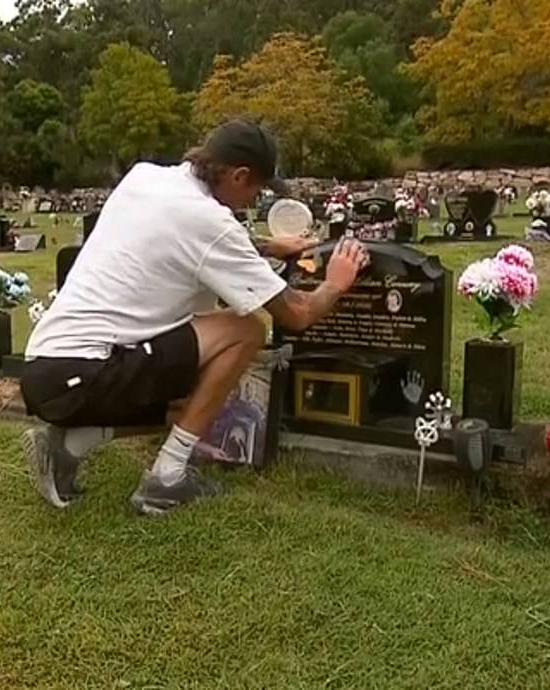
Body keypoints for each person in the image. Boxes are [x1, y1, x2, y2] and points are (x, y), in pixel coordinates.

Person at [20, 118, 369, 516]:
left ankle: (70, 444)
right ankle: (166, 480)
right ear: (239, 176)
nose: (253, 201)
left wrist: (266, 247)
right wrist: (337, 283)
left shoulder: (145, 178)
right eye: (256, 191)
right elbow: (298, 313)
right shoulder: (210, 222)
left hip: (47, 370)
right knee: (244, 332)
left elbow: (181, 236)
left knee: (200, 398)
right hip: (86, 372)